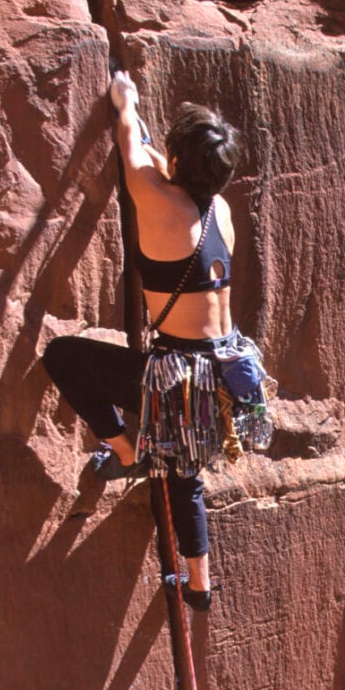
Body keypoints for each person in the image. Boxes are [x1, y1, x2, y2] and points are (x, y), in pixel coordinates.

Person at [42, 71, 243, 611]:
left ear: (177, 165)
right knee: (185, 476)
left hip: (178, 379)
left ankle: (127, 449)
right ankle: (198, 588)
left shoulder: (156, 201)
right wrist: (169, 155)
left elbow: (133, 142)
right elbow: (161, 165)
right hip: (221, 374)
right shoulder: (218, 209)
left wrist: (125, 100)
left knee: (60, 357)